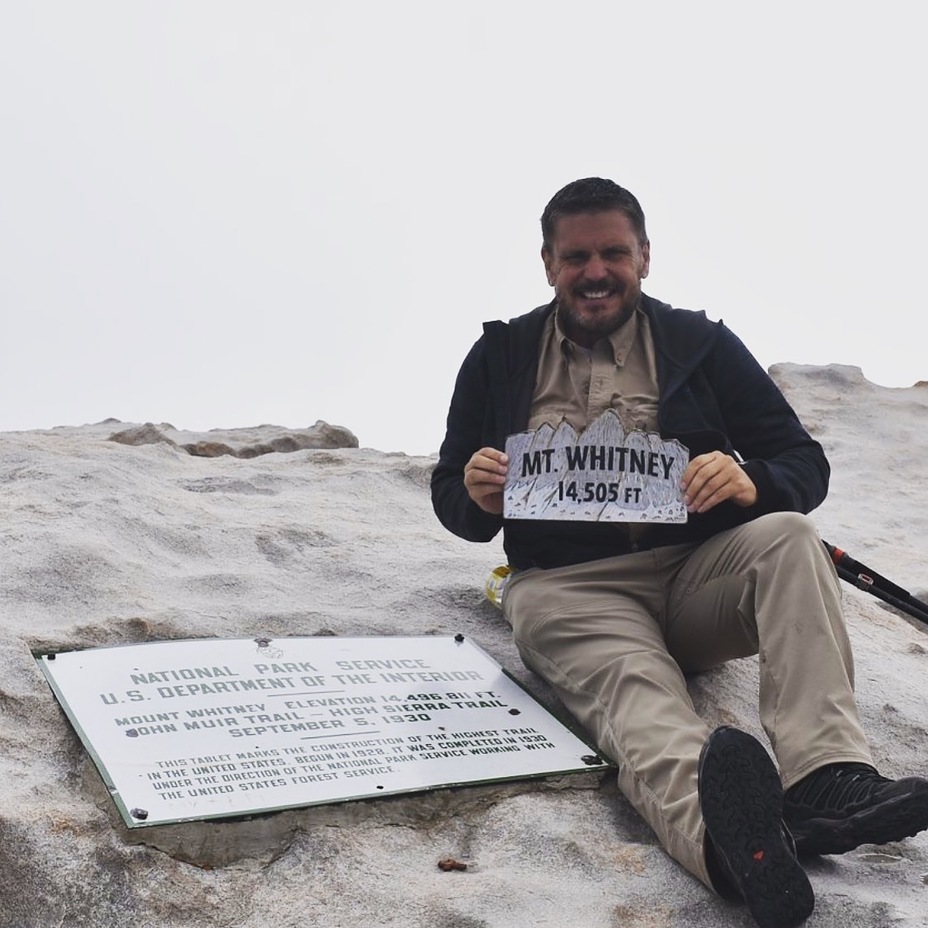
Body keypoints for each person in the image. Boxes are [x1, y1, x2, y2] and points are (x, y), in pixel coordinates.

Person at [431, 177, 928, 928]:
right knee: (636, 696)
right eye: (576, 257)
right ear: (547, 264)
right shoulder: (500, 354)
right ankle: (732, 844)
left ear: (645, 257)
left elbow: (802, 464)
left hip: (697, 578)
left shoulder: (699, 343)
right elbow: (453, 501)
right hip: (572, 591)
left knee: (791, 536)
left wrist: (749, 480)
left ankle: (827, 777)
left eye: (613, 253)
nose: (595, 271)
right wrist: (474, 490)